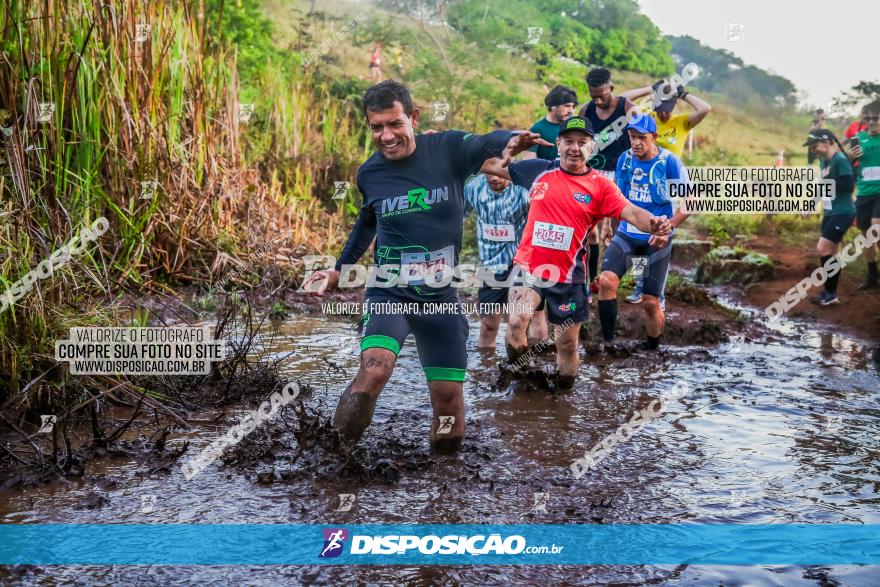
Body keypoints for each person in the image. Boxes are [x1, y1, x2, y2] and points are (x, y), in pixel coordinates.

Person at [300, 80, 548, 454]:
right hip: (389, 291)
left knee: (448, 404)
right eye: (377, 127)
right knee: (375, 368)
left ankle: (446, 485)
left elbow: (486, 141)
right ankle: (331, 458)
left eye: (395, 124)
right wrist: (339, 269)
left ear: (413, 117)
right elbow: (367, 221)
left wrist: (513, 138)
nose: (386, 136)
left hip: (440, 299)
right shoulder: (371, 174)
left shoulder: (446, 148)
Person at [481, 116, 672, 389]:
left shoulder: (600, 186)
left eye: (582, 143)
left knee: (567, 345)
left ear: (591, 148)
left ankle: (563, 395)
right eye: (568, 141)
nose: (575, 148)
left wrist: (654, 224)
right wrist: (440, 145)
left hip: (569, 277)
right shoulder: (537, 171)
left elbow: (631, 212)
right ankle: (520, 382)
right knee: (515, 324)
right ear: (558, 144)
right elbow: (487, 165)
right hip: (529, 267)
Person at [598, 114, 690, 350]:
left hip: (656, 240)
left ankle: (652, 349)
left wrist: (668, 228)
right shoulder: (625, 159)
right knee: (607, 282)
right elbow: (615, 196)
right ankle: (608, 344)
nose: (636, 143)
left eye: (642, 138)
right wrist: (608, 225)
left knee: (650, 302)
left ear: (654, 138)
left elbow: (692, 200)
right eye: (632, 137)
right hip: (627, 234)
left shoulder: (669, 162)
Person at [619, 80, 710, 305]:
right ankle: (639, 283)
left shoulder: (682, 122)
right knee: (636, 232)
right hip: (642, 175)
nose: (664, 112)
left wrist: (683, 93)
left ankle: (655, 291)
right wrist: (649, 89)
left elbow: (705, 109)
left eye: (668, 107)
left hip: (668, 179)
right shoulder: (647, 118)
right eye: (660, 106)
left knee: (662, 232)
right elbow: (623, 100)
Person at [464, 172, 549, 347]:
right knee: (488, 325)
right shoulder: (473, 187)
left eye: (499, 172)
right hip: (491, 264)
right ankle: (486, 368)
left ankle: (539, 366)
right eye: (490, 172)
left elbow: (546, 218)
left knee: (532, 317)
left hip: (524, 263)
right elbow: (457, 215)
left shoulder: (524, 189)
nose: (495, 178)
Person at [579, 68, 637, 293]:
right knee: (586, 229)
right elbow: (582, 141)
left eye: (602, 95)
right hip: (594, 173)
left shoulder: (627, 109)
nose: (598, 100)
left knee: (622, 229)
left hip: (621, 174)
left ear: (611, 88)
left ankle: (628, 281)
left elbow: (642, 136)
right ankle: (590, 279)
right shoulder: (586, 110)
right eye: (593, 95)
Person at [804, 129, 856, 305]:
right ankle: (830, 293)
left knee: (823, 248)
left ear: (827, 142)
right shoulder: (823, 161)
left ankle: (830, 293)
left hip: (843, 212)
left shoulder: (840, 160)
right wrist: (812, 203)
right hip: (830, 211)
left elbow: (849, 185)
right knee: (832, 252)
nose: (813, 149)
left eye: (814, 145)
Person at [846, 100, 880, 289]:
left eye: (876, 118)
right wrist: (851, 157)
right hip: (864, 192)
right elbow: (849, 164)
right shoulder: (859, 138)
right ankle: (872, 274)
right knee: (867, 235)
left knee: (876, 228)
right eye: (868, 119)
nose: (872, 122)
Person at [521, 85, 579, 161]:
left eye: (573, 106)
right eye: (567, 106)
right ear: (553, 107)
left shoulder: (575, 126)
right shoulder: (538, 129)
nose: (571, 111)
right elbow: (528, 162)